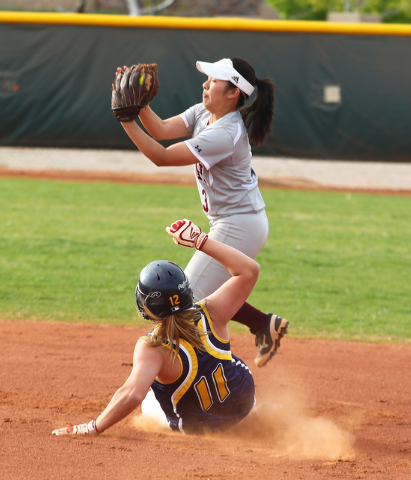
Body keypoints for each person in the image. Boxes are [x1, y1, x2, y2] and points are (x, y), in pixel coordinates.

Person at [116, 57, 288, 367]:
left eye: (214, 80)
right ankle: (263, 325)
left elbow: (162, 157)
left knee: (183, 305)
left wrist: (125, 119)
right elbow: (160, 129)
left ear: (233, 92)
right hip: (234, 221)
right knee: (198, 298)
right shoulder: (203, 113)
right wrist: (139, 106)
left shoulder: (226, 133)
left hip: (239, 225)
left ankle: (224, 373)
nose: (205, 84)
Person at [52, 218, 259, 436]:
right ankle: (255, 413)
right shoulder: (212, 311)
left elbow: (132, 394)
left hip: (200, 429)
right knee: (228, 360)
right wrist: (200, 240)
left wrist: (92, 427)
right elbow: (249, 270)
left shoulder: (152, 346)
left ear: (147, 305)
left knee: (149, 399)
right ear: (187, 291)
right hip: (243, 410)